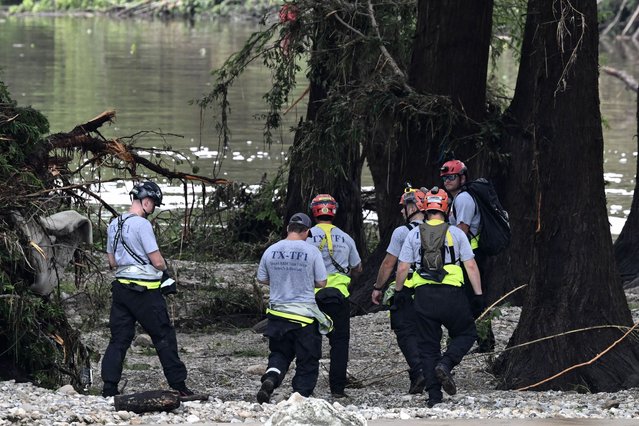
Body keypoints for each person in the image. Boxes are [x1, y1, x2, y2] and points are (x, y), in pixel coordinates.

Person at [101, 181, 193, 398]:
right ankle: (179, 385)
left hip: (121, 290)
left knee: (119, 340)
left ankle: (109, 388)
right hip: (145, 292)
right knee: (163, 337)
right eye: (154, 205)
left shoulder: (114, 223)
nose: (153, 210)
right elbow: (157, 261)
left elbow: (112, 261)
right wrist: (163, 270)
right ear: (146, 201)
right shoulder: (142, 225)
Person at [395, 187, 483, 407]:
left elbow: (402, 267)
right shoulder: (457, 233)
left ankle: (434, 397)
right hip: (452, 295)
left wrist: (398, 292)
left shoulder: (414, 234)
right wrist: (479, 295)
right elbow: (470, 265)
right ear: (447, 208)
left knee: (427, 346)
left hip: (424, 296)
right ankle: (446, 363)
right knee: (467, 332)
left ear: (425, 208)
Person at [256, 213, 331, 404]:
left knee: (279, 354)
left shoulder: (271, 250)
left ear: (288, 229)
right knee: (307, 359)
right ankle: (300, 396)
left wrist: (280, 281)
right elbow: (322, 282)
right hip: (304, 317)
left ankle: (271, 378)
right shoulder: (312, 251)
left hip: (277, 315)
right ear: (306, 231)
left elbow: (262, 278)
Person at [371, 187, 427, 394]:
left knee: (404, 331)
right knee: (428, 332)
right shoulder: (442, 229)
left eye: (404, 207)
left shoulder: (403, 232)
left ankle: (418, 370)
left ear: (413, 206)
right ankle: (430, 371)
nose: (402, 212)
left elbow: (389, 264)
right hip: (434, 289)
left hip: (408, 288)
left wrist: (378, 287)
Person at [307, 194, 362, 398]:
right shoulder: (346, 238)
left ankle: (306, 387)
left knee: (310, 341)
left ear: (313, 211)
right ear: (334, 211)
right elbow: (357, 267)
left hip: (313, 297)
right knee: (339, 343)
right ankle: (337, 389)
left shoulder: (307, 236)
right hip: (339, 296)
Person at [440, 159, 495, 353]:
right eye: (445, 178)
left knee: (474, 297)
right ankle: (481, 340)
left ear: (462, 178)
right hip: (469, 253)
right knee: (471, 297)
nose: (447, 181)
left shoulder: (463, 199)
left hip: (471, 254)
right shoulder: (459, 198)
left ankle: (485, 341)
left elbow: (462, 230)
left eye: (451, 177)